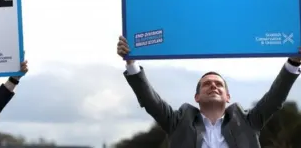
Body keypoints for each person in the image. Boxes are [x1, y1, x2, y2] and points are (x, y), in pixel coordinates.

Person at [116, 35, 301, 148]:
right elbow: (150, 101)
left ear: (228, 97)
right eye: (207, 84)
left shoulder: (248, 122)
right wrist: (131, 63)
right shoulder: (178, 122)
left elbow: (275, 98)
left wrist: (293, 62)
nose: (213, 86)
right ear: (196, 97)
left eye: (219, 84)